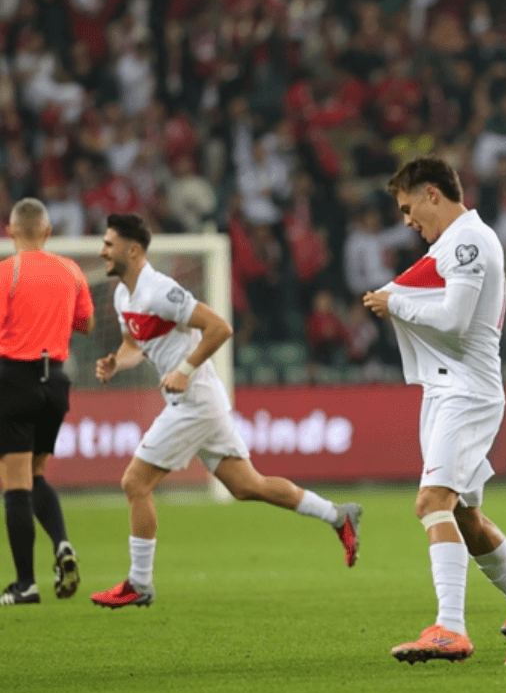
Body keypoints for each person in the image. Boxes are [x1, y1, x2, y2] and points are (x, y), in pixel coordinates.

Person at [89, 213, 360, 608]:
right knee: (248, 486)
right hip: (198, 403)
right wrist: (117, 362)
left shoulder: (161, 291)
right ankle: (338, 516)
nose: (102, 251)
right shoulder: (122, 296)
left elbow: (219, 327)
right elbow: (135, 344)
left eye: (108, 244)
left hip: (194, 402)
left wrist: (184, 370)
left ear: (132, 250)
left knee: (135, 483)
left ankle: (139, 583)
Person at [363, 157, 506, 665]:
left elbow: (455, 318)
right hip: (445, 390)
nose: (407, 220)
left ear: (433, 193)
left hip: (466, 393)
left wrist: (394, 304)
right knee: (465, 515)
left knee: (431, 502)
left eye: (409, 208)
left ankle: (449, 627)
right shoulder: (451, 244)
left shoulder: (468, 241)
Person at [0, 198, 94, 605]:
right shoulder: (71, 270)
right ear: (48, 232)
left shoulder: (8, 272)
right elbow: (87, 323)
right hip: (55, 382)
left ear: (11, 231)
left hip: (15, 379)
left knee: (14, 483)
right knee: (35, 474)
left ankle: (26, 584)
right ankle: (62, 544)